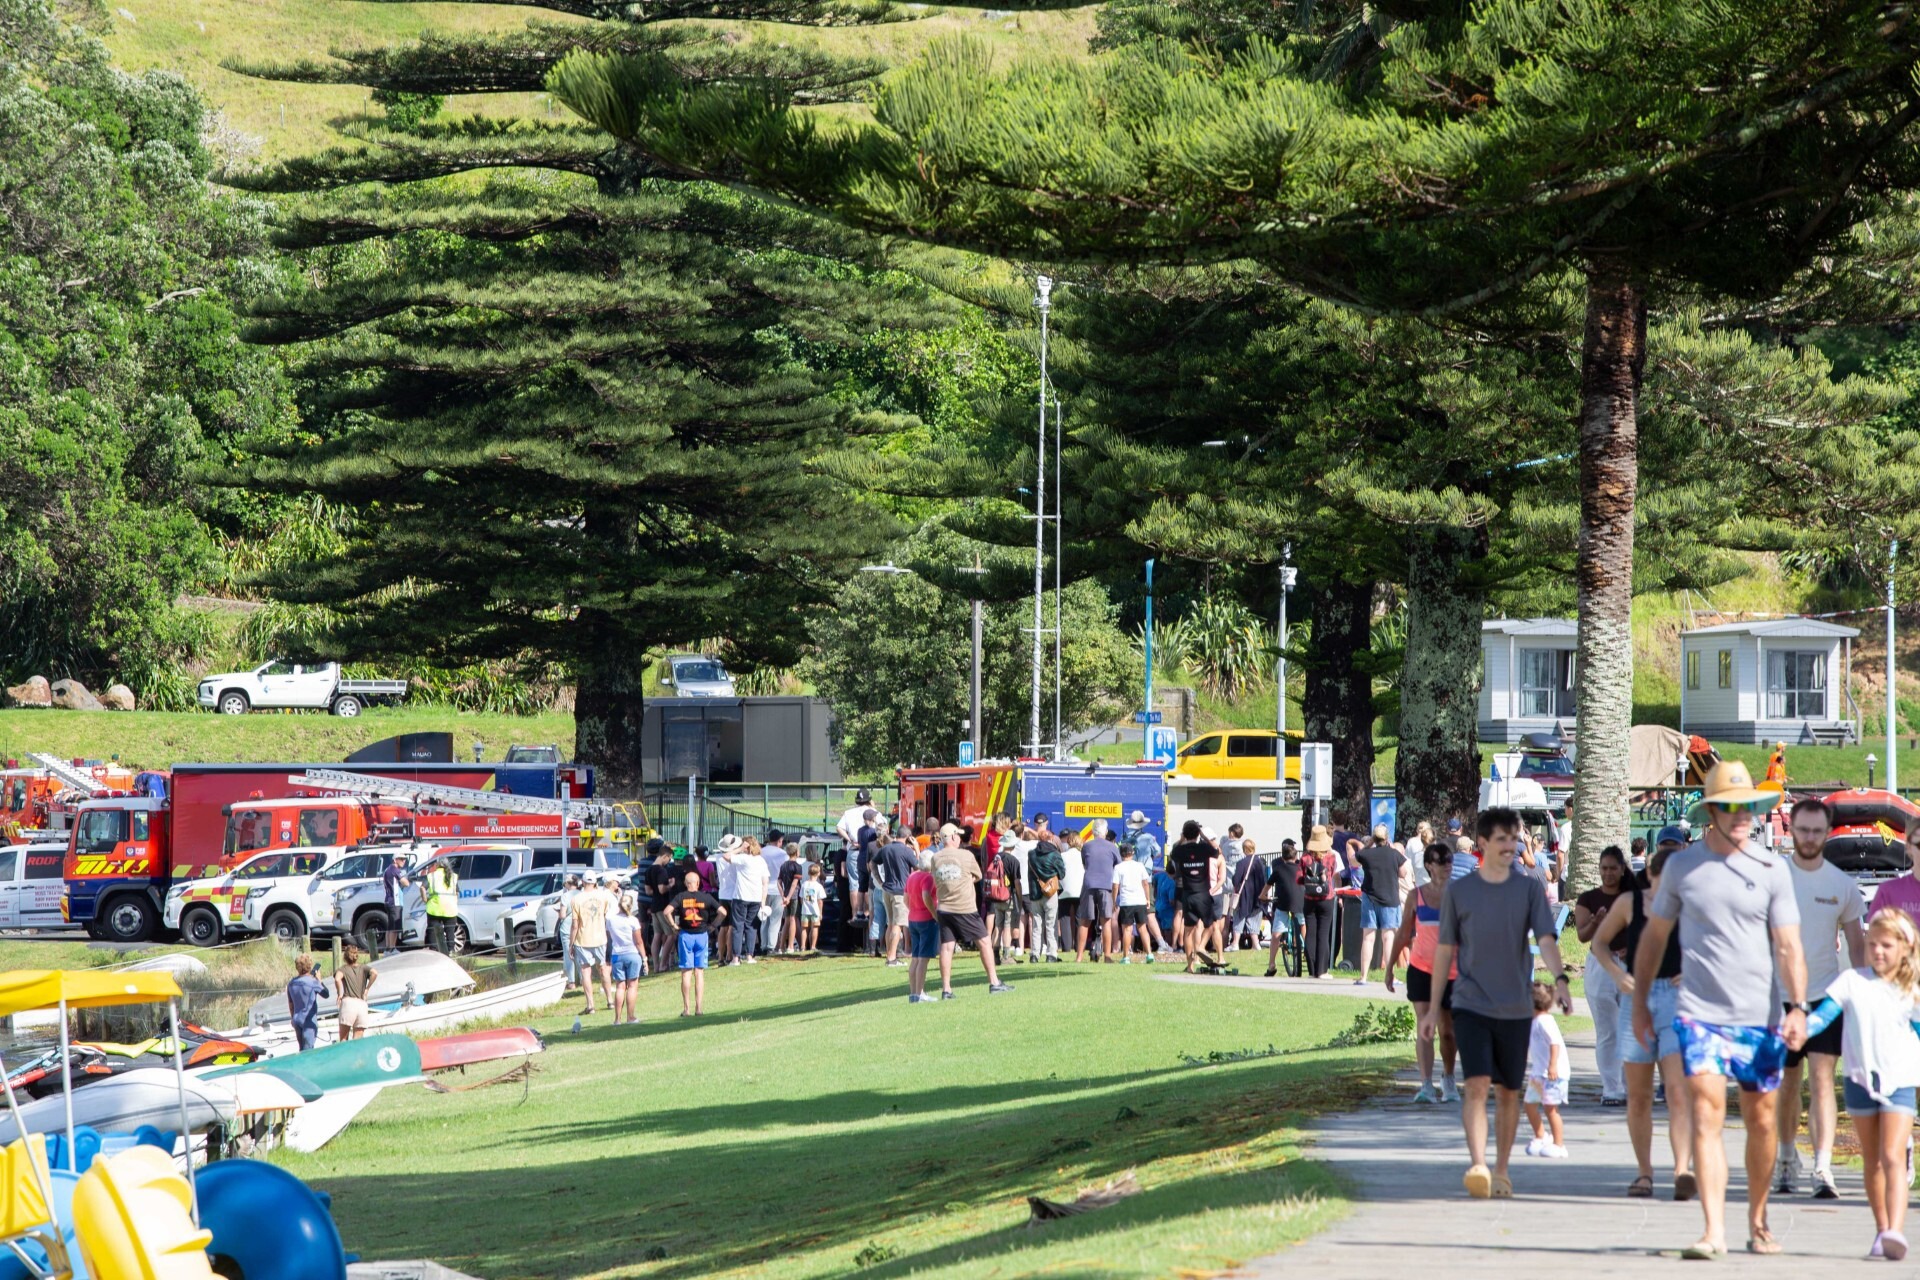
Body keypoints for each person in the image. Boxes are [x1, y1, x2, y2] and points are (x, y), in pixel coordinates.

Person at [1632, 760, 1808, 1259]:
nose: (1740, 815)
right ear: (1711, 811)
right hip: (1698, 1013)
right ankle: (1713, 1231)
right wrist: (1643, 1002)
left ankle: (1758, 1220)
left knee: (1762, 1120)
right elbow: (1654, 938)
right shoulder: (1684, 868)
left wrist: (1796, 1008)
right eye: (1729, 806)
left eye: (1748, 807)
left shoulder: (1773, 869)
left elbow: (1789, 946)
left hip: (1759, 1017)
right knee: (1706, 1112)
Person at [1430, 806, 1572, 1200]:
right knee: (1476, 1084)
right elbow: (1444, 950)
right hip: (1470, 1002)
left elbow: (1546, 939)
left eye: (1516, 838)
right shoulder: (1460, 891)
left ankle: (1503, 1169)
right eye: (1503, 839)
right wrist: (1430, 1008)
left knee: (1509, 1090)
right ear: (1482, 844)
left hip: (1515, 1006)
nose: (1512, 845)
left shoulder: (1528, 888)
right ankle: (1478, 1164)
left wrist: (1560, 980)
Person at [1802, 908, 1920, 1260]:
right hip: (1858, 1080)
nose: (1878, 952)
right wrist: (1799, 1030)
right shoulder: (1851, 981)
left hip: (1899, 1081)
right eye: (1872, 945)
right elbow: (1825, 1014)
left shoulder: (1910, 991)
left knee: (1891, 1155)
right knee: (1873, 1160)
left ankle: (1896, 1231)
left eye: (1886, 945)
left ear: (1903, 948)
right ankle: (1881, 1230)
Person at [1592, 840, 1694, 1201]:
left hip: (1678, 1000)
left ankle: (1682, 1169)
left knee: (1679, 1091)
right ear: (1648, 876)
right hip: (1637, 998)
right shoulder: (1630, 903)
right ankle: (1644, 1173)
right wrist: (1618, 975)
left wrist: (1694, 972)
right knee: (1638, 1096)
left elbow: (1714, 943)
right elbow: (1598, 943)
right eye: (1659, 877)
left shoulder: (1690, 906)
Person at [1774, 797, 1865, 1200]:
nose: (1809, 837)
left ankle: (1823, 1166)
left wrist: (1864, 992)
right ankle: (1785, 1157)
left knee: (1824, 1080)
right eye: (1803, 829)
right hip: (1777, 997)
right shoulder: (1773, 877)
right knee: (1788, 1081)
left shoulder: (1841, 885)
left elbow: (1857, 943)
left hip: (1826, 998)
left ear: (1828, 833)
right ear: (1790, 830)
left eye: (1817, 830)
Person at [1387, 841, 1459, 1102]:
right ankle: (1426, 1084)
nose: (1447, 865)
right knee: (1425, 1028)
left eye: (1450, 860)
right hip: (1421, 969)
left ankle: (1448, 1079)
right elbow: (1404, 933)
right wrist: (1389, 968)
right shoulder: (1416, 896)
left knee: (1448, 1030)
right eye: (1442, 861)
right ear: (1429, 865)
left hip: (1453, 971)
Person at [1573, 846, 1632, 1107]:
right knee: (1607, 1030)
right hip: (1600, 966)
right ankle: (1612, 1088)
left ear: (1621, 869)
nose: (1608, 873)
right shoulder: (1588, 899)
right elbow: (1583, 935)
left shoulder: (1632, 897)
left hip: (1630, 966)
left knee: (1629, 1028)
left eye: (1612, 868)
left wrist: (1631, 948)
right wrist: (1597, 922)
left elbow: (1647, 928)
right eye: (1604, 868)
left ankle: (1630, 1086)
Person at [930, 825, 1012, 997]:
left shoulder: (935, 858)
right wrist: (965, 880)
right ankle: (994, 982)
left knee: (946, 947)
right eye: (957, 835)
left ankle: (946, 989)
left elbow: (936, 879)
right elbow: (979, 876)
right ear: (952, 837)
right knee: (984, 942)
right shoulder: (966, 855)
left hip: (944, 908)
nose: (960, 838)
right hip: (965, 907)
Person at [668, 870, 726, 1016]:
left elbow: (666, 911)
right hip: (702, 935)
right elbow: (723, 912)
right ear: (698, 883)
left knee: (686, 973)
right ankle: (699, 1008)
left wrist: (673, 926)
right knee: (699, 972)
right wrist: (713, 926)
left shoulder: (680, 897)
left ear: (686, 884)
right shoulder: (706, 897)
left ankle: (686, 1009)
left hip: (686, 935)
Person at [1168, 820, 1223, 973]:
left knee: (1188, 930)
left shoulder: (1181, 850)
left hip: (1187, 894)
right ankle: (1213, 953)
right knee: (1213, 925)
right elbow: (1216, 851)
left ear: (1185, 834)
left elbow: (1173, 852)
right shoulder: (1204, 848)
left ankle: (1190, 965)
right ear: (1198, 834)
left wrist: (1182, 838)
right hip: (1203, 894)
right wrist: (1204, 836)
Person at [1353, 828, 1406, 986]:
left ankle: (1363, 977)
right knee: (1388, 937)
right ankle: (1390, 975)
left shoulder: (1366, 854)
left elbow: (1354, 861)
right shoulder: (1394, 854)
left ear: (1373, 839)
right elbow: (1403, 873)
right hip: (1390, 899)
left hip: (1370, 898)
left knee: (1368, 938)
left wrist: (1368, 845)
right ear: (1387, 838)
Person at [1524, 981, 1571, 1158]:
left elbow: (1555, 1043)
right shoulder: (1535, 1021)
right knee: (1529, 1105)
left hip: (1553, 1075)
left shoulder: (1545, 1021)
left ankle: (1559, 1145)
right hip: (1538, 1074)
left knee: (1551, 1109)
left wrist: (1552, 1065)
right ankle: (1541, 1136)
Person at [571, 872, 615, 1016]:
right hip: (600, 937)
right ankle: (610, 1001)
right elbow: (605, 915)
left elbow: (575, 924)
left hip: (583, 939)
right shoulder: (603, 897)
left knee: (585, 972)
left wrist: (571, 944)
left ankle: (590, 1005)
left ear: (582, 882)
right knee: (603, 969)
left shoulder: (576, 899)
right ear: (595, 882)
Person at [1076, 819, 1120, 962]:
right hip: (1106, 885)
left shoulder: (1086, 846)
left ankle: (1079, 957)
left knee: (1084, 921)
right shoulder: (1112, 847)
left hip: (1089, 884)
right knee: (1106, 921)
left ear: (1093, 832)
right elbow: (1118, 866)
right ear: (1106, 832)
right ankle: (1107, 956)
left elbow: (1084, 863)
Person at [1299, 826, 1339, 979]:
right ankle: (1322, 971)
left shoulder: (1304, 858)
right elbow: (1333, 873)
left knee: (1310, 934)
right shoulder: (1331, 857)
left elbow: (1299, 878)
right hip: (1326, 898)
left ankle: (1311, 971)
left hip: (1309, 899)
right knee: (1323, 934)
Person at [721, 833, 768, 966]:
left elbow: (726, 856)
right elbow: (765, 882)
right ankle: (749, 955)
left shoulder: (743, 858)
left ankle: (736, 957)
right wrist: (763, 902)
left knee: (738, 927)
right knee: (751, 927)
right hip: (756, 897)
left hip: (741, 896)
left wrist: (740, 849)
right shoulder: (761, 861)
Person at [878, 821, 918, 966]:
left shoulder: (886, 848)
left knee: (890, 924)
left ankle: (890, 955)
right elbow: (918, 868)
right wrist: (917, 849)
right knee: (897, 925)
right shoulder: (907, 851)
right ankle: (891, 959)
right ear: (908, 837)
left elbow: (871, 864)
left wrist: (879, 880)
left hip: (886, 890)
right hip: (900, 892)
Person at [1265, 840, 1305, 978]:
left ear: (1282, 857)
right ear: (1296, 857)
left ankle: (1271, 964)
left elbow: (1267, 886)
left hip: (1282, 904)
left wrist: (1262, 896)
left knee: (1276, 934)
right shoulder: (1301, 868)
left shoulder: (1278, 869)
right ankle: (1308, 952)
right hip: (1300, 903)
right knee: (1302, 923)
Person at [1026, 827, 1064, 963]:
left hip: (1035, 893)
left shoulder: (1031, 854)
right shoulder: (1055, 854)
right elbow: (1062, 873)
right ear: (1051, 839)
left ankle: (1034, 954)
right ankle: (1051, 954)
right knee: (1051, 923)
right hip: (1050, 893)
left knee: (1036, 924)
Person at [607, 890, 645, 1025]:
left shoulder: (611, 920)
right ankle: (630, 1016)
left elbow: (609, 937)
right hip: (632, 953)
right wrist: (645, 958)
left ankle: (617, 1019)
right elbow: (639, 941)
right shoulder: (633, 920)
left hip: (617, 954)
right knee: (632, 986)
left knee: (620, 987)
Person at [905, 851, 939, 1002]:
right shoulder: (928, 877)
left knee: (916, 958)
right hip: (926, 920)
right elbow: (926, 895)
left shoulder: (912, 876)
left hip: (913, 918)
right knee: (923, 959)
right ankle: (920, 993)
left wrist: (913, 908)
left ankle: (913, 993)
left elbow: (906, 898)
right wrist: (934, 913)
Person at [1113, 843, 1154, 961]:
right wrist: (1147, 899)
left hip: (1126, 902)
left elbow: (1116, 886)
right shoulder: (1140, 866)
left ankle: (1126, 957)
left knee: (1127, 929)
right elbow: (1145, 883)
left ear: (1121, 854)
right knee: (1143, 928)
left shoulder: (1118, 867)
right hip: (1140, 900)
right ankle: (1149, 954)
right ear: (1132, 853)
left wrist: (1114, 900)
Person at [1231, 838, 1269, 950]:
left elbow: (1236, 880)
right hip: (1257, 895)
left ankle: (1235, 943)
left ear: (1244, 849)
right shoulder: (1260, 862)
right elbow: (1264, 879)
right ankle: (1256, 944)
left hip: (1244, 895)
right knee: (1254, 919)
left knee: (1239, 917)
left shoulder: (1241, 863)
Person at [334, 943, 377, 1042]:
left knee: (343, 1040)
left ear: (345, 956)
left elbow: (337, 979)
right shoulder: (363, 968)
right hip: (361, 1004)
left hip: (348, 1003)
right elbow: (375, 973)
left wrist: (339, 993)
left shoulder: (343, 969)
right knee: (357, 1041)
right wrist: (367, 989)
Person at [287, 954, 329, 1053]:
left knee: (301, 1048)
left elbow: (291, 1003)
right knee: (308, 1050)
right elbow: (326, 994)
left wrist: (292, 1017)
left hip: (297, 1019)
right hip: (308, 1020)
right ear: (309, 966)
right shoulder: (313, 982)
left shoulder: (292, 983)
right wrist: (320, 980)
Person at [760, 831, 790, 957]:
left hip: (762, 889)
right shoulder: (783, 854)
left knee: (764, 918)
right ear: (779, 841)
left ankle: (763, 944)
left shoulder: (761, 852)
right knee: (775, 920)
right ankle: (771, 946)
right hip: (778, 889)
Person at [423, 858, 460, 956]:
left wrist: (425, 899)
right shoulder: (453, 876)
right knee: (450, 931)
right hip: (450, 908)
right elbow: (457, 892)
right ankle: (451, 951)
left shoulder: (432, 876)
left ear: (438, 864)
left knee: (432, 930)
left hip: (435, 907)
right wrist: (455, 901)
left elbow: (422, 888)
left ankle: (434, 950)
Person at [1056, 831, 1085, 955]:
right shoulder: (1083, 856)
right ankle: (1079, 946)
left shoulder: (1063, 856)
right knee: (1080, 920)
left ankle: (1066, 947)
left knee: (1064, 918)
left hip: (1065, 890)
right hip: (1080, 890)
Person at [776, 844, 806, 954]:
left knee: (786, 921)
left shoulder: (783, 866)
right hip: (793, 896)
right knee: (793, 919)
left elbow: (778, 882)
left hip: (785, 895)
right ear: (797, 852)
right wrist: (788, 897)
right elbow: (795, 884)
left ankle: (781, 947)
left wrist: (783, 895)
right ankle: (790, 946)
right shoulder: (798, 867)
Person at [381, 851, 410, 951]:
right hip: (395, 901)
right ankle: (392, 948)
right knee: (395, 928)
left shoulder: (387, 869)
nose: (404, 861)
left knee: (390, 926)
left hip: (388, 900)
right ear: (395, 859)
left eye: (404, 859)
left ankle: (388, 948)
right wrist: (407, 880)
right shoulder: (395, 869)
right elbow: (406, 883)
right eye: (401, 859)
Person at [799, 862, 825, 951]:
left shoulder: (804, 884)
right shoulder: (818, 886)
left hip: (805, 910)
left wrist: (804, 905)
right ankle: (813, 946)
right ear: (818, 873)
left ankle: (802, 946)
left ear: (808, 873)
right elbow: (820, 901)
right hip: (815, 910)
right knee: (815, 927)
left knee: (804, 928)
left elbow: (801, 898)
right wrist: (821, 912)